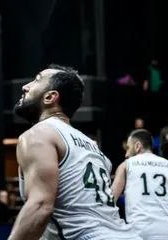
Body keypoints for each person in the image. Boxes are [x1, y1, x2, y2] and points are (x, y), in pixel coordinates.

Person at [8, 66, 141, 240]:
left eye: (37, 80)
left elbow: (40, 206)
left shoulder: (39, 134)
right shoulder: (93, 147)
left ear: (50, 97)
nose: (25, 86)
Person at [111, 130, 168, 240]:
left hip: (139, 233)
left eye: (128, 148)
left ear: (137, 146)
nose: (126, 154)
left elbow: (110, 202)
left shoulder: (126, 165)